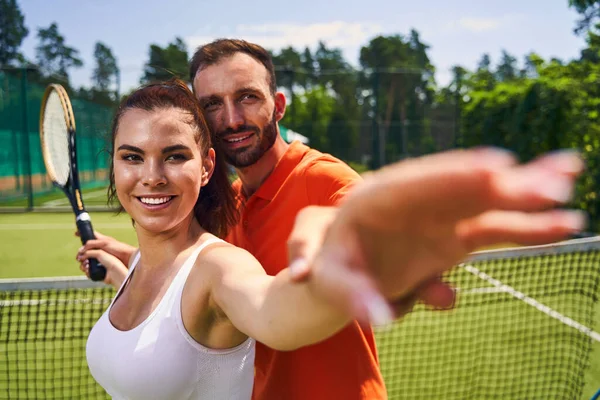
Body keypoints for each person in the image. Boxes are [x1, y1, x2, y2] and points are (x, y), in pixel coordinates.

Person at [78, 39, 586, 400]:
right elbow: (200, 296)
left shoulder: (327, 180)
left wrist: (365, 263)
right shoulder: (227, 201)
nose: (230, 118)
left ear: (277, 104)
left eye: (247, 97)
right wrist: (140, 263)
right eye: (212, 104)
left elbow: (302, 286)